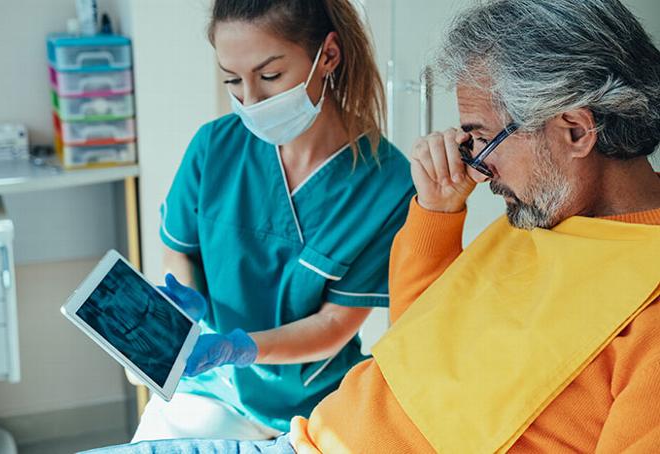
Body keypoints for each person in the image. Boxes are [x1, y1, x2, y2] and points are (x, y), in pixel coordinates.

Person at [86, 0, 660, 452]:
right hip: (315, 435)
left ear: (578, 132)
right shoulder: (541, 220)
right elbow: (417, 341)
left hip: (308, 417)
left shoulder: (638, 299)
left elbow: (350, 329)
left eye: (481, 137)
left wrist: (240, 348)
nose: (474, 165)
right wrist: (437, 214)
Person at [130, 0, 414, 443]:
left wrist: (244, 347)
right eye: (232, 80)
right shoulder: (214, 147)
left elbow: (334, 325)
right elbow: (179, 249)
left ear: (329, 56)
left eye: (269, 76)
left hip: (315, 404)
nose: (250, 99)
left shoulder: (387, 182)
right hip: (214, 388)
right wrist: (182, 306)